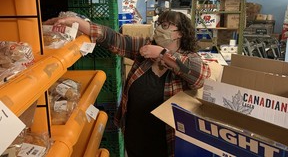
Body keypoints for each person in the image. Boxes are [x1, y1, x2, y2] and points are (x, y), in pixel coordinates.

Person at [44, 10, 211, 157]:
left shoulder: (190, 58)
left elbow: (200, 76)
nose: (159, 28)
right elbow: (114, 40)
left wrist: (162, 54)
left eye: (166, 25)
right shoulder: (146, 48)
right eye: (159, 24)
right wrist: (80, 24)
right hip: (135, 135)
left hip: (167, 141)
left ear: (179, 33)